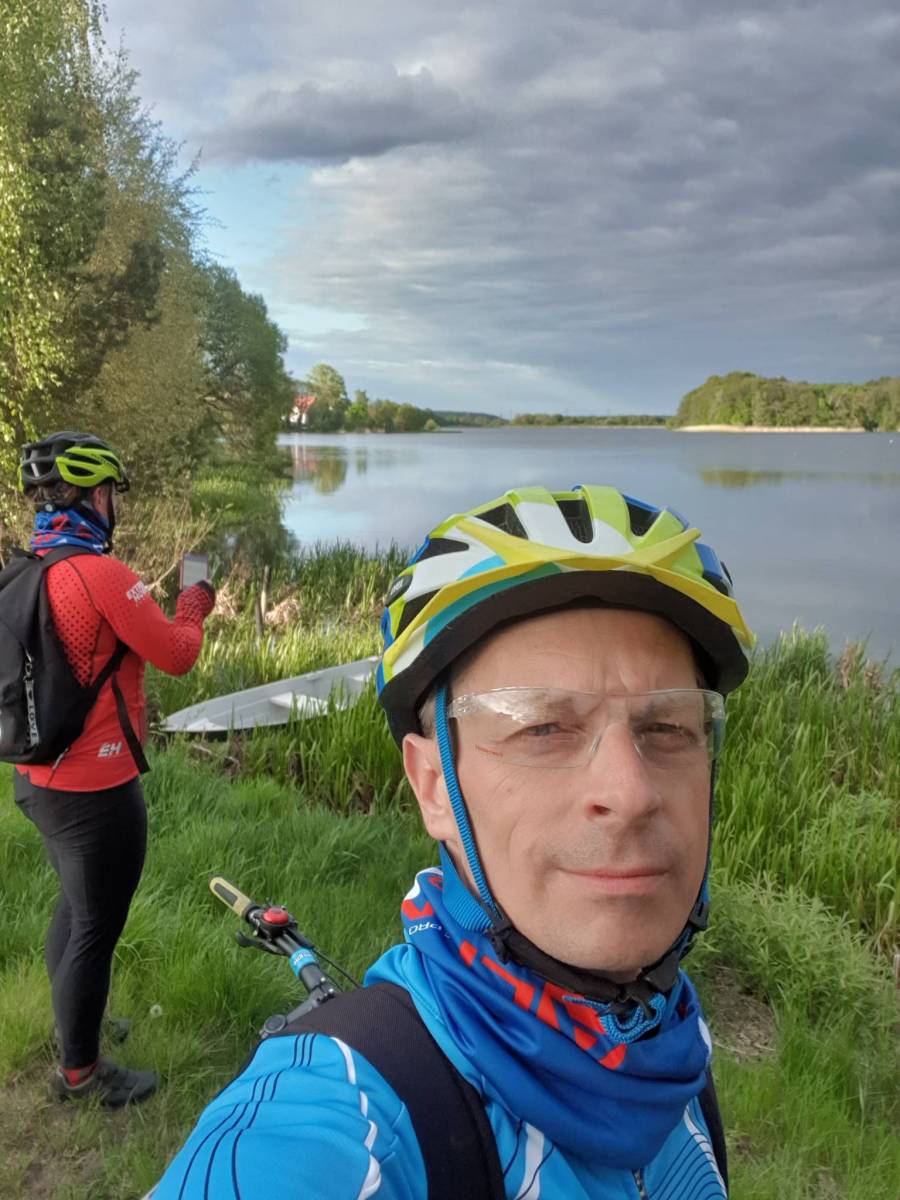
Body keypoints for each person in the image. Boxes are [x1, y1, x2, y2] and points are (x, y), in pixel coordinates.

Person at [150, 483, 754, 1197]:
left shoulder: (669, 1043)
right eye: (542, 728)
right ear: (434, 785)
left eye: (668, 728)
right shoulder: (350, 1114)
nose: (631, 794)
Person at [14, 431, 216, 1107]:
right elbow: (178, 653)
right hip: (93, 788)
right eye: (110, 493)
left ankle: (78, 1027)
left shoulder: (29, 570)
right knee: (95, 926)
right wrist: (196, 602)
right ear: (97, 497)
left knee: (77, 910)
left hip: (37, 777)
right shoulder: (102, 575)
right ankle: (80, 1072)